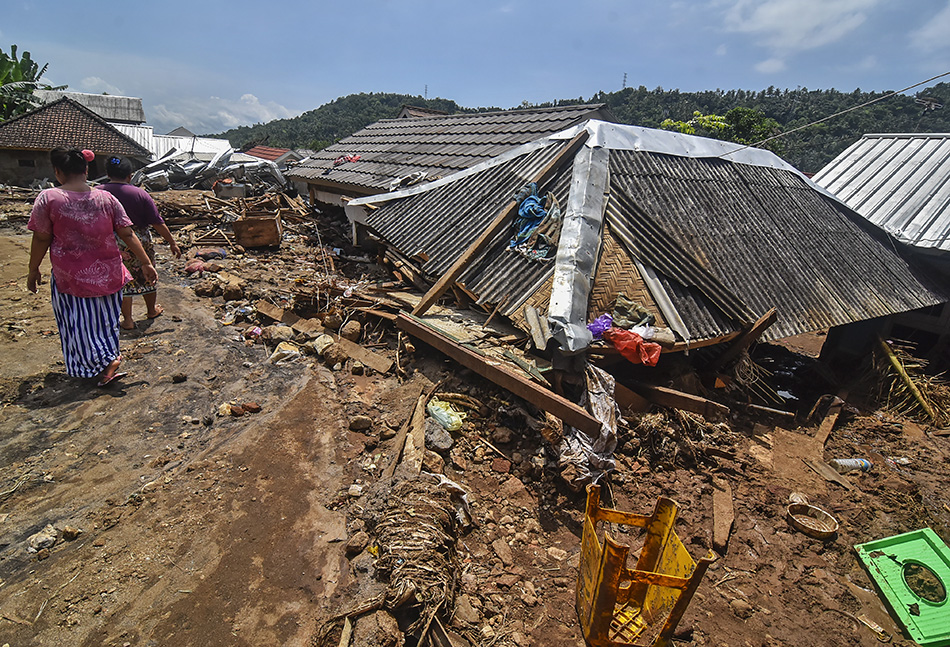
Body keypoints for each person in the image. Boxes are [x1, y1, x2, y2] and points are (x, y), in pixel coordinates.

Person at [27, 147, 157, 386]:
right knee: (105, 321)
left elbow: (42, 237)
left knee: (77, 323)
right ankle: (109, 358)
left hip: (71, 277)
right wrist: (146, 262)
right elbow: (127, 233)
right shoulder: (106, 199)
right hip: (109, 274)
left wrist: (33, 269)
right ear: (87, 170)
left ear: (58, 172)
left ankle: (96, 365)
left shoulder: (49, 198)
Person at [97, 156, 181, 329]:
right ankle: (151, 310)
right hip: (139, 240)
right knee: (147, 274)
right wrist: (172, 242)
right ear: (130, 175)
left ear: (107, 174)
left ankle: (127, 319)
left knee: (122, 279)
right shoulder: (139, 193)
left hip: (111, 241)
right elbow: (157, 222)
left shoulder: (97, 193)